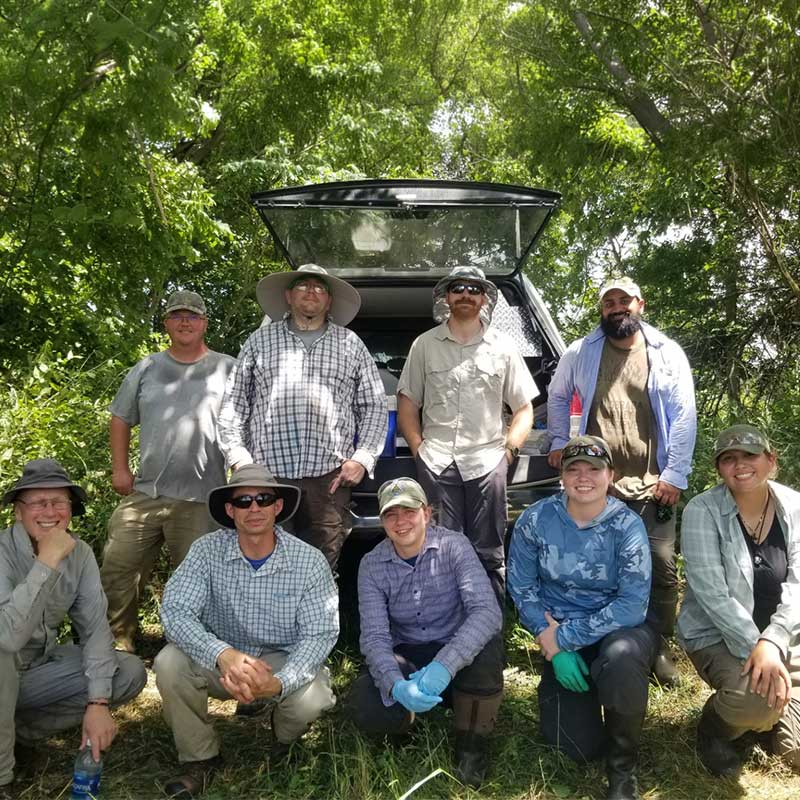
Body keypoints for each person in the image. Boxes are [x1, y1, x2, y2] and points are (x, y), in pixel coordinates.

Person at [154, 463, 339, 798]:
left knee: (312, 699)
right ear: (230, 510)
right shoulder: (206, 551)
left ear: (278, 506)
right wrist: (221, 653)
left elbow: (319, 635)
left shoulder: (309, 561)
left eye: (263, 498)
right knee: (169, 664)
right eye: (243, 501)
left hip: (281, 660)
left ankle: (284, 743)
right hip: (221, 660)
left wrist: (280, 682)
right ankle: (201, 758)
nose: (254, 508)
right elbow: (176, 611)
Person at [546, 276, 696, 686]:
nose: (617, 307)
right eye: (608, 302)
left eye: (624, 300)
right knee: (598, 566)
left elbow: (684, 415)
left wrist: (675, 473)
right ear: (602, 310)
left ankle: (658, 646)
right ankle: (608, 643)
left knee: (660, 567)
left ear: (640, 304)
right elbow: (557, 396)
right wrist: (560, 440)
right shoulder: (580, 351)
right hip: (598, 485)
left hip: (654, 483)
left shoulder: (667, 353)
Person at [508, 436, 656, 800]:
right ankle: (592, 706)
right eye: (574, 469)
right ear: (562, 476)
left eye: (594, 469)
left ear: (611, 475)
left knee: (622, 660)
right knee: (574, 747)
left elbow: (631, 605)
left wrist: (564, 639)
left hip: (618, 633)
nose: (583, 477)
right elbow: (521, 588)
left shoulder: (627, 526)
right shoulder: (535, 520)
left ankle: (623, 768)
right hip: (557, 637)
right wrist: (550, 640)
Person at [218, 264, 387, 573]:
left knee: (322, 564)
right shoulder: (259, 341)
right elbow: (233, 404)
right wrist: (240, 460)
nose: (311, 291)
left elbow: (373, 406)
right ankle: (268, 620)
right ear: (287, 295)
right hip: (267, 475)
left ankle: (318, 620)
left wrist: (361, 459)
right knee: (264, 560)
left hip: (329, 480)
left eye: (320, 288)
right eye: (302, 286)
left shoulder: (351, 344)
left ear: (329, 301)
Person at [100, 289, 236, 653]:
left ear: (205, 323)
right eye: (177, 316)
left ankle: (189, 649)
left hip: (203, 496)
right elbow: (120, 417)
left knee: (196, 581)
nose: (185, 322)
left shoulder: (228, 368)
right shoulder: (147, 368)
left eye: (192, 316)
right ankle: (120, 641)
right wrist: (119, 468)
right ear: (167, 324)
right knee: (118, 565)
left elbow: (247, 423)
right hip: (146, 492)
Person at [0, 459, 146, 795]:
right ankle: (3, 776)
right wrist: (47, 561)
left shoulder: (79, 553)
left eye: (59, 502)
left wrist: (98, 704)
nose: (49, 510)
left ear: (71, 508)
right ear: (18, 512)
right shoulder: (3, 552)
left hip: (36, 670)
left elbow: (95, 629)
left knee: (127, 671)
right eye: (37, 502)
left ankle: (19, 732)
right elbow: (8, 636)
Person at [347, 478, 503, 787]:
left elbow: (487, 611)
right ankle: (408, 722)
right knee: (365, 703)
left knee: (487, 652)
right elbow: (375, 637)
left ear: (426, 514)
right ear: (382, 521)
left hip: (455, 646)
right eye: (391, 514)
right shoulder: (372, 565)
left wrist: (445, 666)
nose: (401, 521)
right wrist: (395, 684)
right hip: (408, 651)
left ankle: (471, 745)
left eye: (409, 510)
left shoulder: (454, 545)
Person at [397, 265, 537, 601]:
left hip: (489, 463)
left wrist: (508, 453)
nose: (465, 294)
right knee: (438, 549)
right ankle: (448, 629)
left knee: (489, 552)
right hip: (436, 461)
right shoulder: (424, 345)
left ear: (484, 298)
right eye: (458, 288)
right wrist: (419, 451)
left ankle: (489, 634)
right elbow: (407, 402)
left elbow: (524, 409)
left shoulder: (503, 346)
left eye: (474, 289)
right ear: (447, 296)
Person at [677, 424, 800, 777]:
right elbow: (714, 595)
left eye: (750, 455)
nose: (740, 465)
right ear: (719, 469)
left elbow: (798, 584)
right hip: (719, 636)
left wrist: (773, 641)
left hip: (785, 635)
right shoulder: (702, 510)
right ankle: (715, 730)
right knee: (754, 701)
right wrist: (759, 646)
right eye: (728, 459)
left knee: (795, 750)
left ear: (770, 460)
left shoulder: (794, 506)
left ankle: (774, 723)